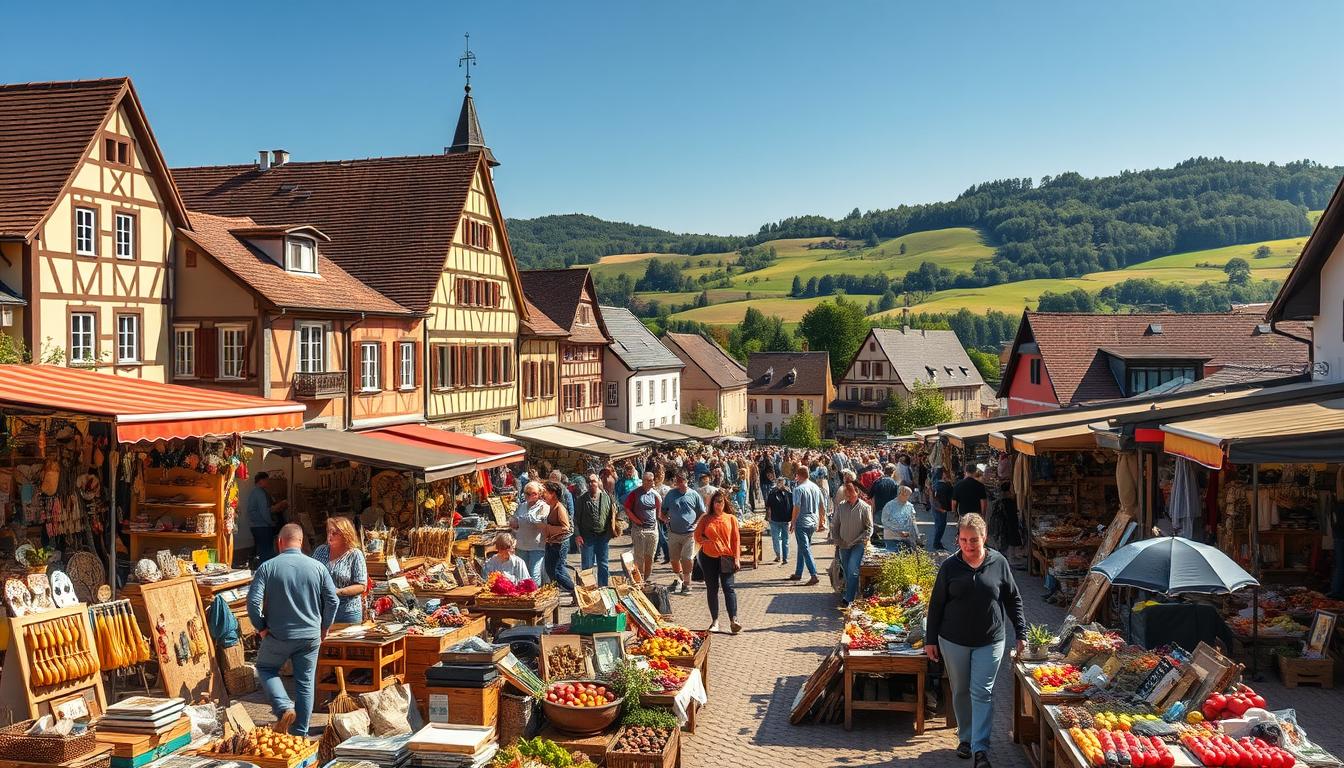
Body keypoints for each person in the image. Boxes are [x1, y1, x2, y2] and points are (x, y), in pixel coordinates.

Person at [925, 513, 1026, 768]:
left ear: (985, 538)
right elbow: (936, 604)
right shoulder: (950, 566)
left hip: (990, 640)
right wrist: (930, 639)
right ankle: (965, 738)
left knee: (982, 691)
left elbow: (1013, 599)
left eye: (974, 540)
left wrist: (1021, 632)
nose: (969, 546)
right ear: (958, 539)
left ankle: (980, 749)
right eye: (964, 540)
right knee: (960, 690)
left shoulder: (999, 562)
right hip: (953, 639)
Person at [247, 524, 337, 737]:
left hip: (278, 634)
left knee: (266, 668)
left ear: (279, 542)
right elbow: (332, 600)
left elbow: (252, 602)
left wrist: (260, 627)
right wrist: (325, 626)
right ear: (301, 541)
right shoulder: (317, 567)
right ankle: (300, 733)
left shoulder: (267, 567)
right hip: (310, 635)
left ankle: (284, 707)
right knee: (305, 682)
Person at [694, 489, 742, 634]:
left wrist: (737, 558)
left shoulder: (731, 518)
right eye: (715, 502)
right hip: (708, 557)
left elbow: (735, 539)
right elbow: (697, 536)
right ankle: (715, 621)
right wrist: (707, 542)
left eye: (720, 502)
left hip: (726, 557)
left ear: (725, 502)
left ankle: (733, 620)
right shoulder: (705, 518)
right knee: (712, 588)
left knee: (728, 587)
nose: (717, 505)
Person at [310, 516, 368, 624]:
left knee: (346, 641)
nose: (329, 536)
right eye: (328, 532)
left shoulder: (355, 554)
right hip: (323, 610)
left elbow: (362, 586)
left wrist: (338, 591)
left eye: (334, 533)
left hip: (347, 612)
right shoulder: (320, 551)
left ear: (346, 535)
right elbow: (310, 574)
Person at [661, 472, 707, 594]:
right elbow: (662, 511)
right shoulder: (671, 494)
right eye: (678, 481)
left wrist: (697, 523)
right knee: (674, 559)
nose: (680, 484)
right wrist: (665, 519)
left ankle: (687, 584)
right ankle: (680, 579)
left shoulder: (694, 494)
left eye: (682, 481)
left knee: (686, 558)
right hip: (673, 533)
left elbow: (702, 512)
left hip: (689, 533)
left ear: (687, 481)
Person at [832, 481, 874, 607]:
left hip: (858, 544)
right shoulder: (841, 506)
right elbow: (835, 524)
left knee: (853, 569)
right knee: (846, 571)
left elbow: (869, 528)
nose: (848, 496)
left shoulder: (865, 507)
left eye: (850, 493)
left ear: (857, 492)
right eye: (846, 493)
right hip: (843, 544)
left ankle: (849, 598)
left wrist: (859, 539)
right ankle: (852, 593)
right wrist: (837, 539)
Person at [576, 474, 616, 586]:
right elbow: (576, 520)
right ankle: (589, 590)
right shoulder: (581, 500)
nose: (591, 484)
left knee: (603, 564)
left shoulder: (606, 497)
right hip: (587, 537)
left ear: (598, 482)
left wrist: (612, 531)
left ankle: (603, 588)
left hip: (603, 537)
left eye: (593, 481)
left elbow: (612, 515)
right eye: (589, 481)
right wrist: (578, 535)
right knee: (587, 566)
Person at [788, 466, 825, 586]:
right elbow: (822, 506)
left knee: (804, 547)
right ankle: (798, 572)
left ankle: (814, 574)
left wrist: (793, 522)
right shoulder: (815, 487)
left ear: (798, 475)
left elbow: (797, 507)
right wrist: (821, 521)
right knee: (802, 546)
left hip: (802, 521)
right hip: (813, 521)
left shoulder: (798, 489)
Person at [541, 481, 576, 603]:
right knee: (554, 569)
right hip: (552, 542)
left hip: (560, 544)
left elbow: (565, 527)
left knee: (555, 570)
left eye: (546, 492)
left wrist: (547, 528)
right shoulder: (549, 506)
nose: (543, 494)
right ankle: (571, 592)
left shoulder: (559, 508)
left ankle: (574, 589)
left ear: (553, 494)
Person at [624, 472, 662, 580]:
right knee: (639, 557)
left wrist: (662, 518)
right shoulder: (635, 493)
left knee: (650, 556)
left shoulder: (655, 494)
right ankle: (638, 580)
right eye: (649, 480)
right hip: (639, 530)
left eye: (652, 480)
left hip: (652, 529)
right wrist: (636, 520)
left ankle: (646, 579)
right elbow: (627, 508)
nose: (651, 482)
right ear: (643, 481)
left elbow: (659, 510)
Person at [509, 481, 548, 582]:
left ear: (539, 494)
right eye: (527, 493)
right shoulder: (521, 506)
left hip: (536, 546)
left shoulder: (543, 506)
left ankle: (534, 595)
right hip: (521, 545)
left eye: (533, 493)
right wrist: (513, 522)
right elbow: (515, 521)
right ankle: (525, 595)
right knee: (522, 573)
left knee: (534, 573)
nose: (530, 496)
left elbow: (541, 524)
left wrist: (524, 520)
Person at [247, 473, 288, 564]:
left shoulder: (254, 492)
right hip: (262, 526)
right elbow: (264, 511)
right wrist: (271, 523)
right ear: (262, 480)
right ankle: (267, 573)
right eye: (267, 480)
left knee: (261, 550)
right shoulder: (260, 493)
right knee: (266, 552)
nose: (268, 482)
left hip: (256, 526)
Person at [880, 485, 918, 553]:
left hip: (906, 537)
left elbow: (913, 521)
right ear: (900, 494)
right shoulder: (889, 505)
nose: (908, 497)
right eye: (906, 495)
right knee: (893, 555)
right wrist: (898, 531)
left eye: (909, 495)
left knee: (907, 557)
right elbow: (884, 521)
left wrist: (915, 535)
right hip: (891, 537)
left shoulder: (910, 506)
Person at [765, 477, 793, 564]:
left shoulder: (774, 492)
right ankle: (783, 557)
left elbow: (768, 506)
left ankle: (780, 556)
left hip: (777, 519)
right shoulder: (788, 492)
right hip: (782, 519)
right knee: (784, 539)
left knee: (777, 538)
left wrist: (769, 517)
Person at [929, 467, 955, 552]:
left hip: (936, 508)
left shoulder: (935, 483)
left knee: (938, 525)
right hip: (941, 508)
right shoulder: (944, 485)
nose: (945, 474)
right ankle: (936, 543)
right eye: (944, 473)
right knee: (941, 525)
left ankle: (937, 542)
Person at [869, 464, 901, 532]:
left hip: (878, 510)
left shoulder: (877, 482)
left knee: (877, 533)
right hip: (890, 511)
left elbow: (871, 496)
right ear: (893, 472)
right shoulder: (894, 484)